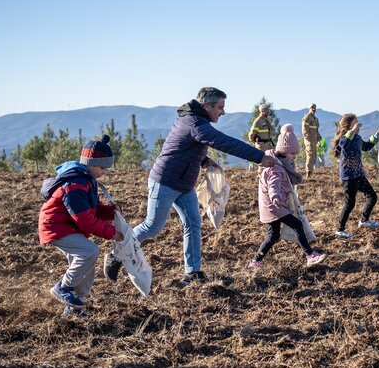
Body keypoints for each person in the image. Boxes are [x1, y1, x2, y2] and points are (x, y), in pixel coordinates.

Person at [106, 88, 276, 287]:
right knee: (152, 226)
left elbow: (183, 145)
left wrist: (203, 159)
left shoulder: (194, 120)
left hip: (185, 184)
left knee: (193, 223)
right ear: (207, 106)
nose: (223, 112)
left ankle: (193, 272)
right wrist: (259, 157)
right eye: (220, 107)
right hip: (165, 181)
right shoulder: (195, 123)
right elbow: (225, 142)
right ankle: (117, 253)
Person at [40, 135, 123, 317]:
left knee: (87, 266)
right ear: (91, 163)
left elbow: (92, 208)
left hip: (70, 227)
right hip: (57, 227)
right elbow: (84, 219)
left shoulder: (87, 180)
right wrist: (111, 232)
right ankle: (63, 287)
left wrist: (110, 212)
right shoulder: (75, 184)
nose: (104, 172)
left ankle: (75, 309)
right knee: (89, 252)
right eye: (102, 168)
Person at [249, 126, 326, 268]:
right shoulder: (276, 168)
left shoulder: (278, 163)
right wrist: (275, 197)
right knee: (297, 225)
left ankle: (256, 261)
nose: (295, 156)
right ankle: (310, 255)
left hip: (272, 206)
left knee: (273, 235)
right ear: (284, 152)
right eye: (292, 153)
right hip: (274, 205)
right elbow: (273, 185)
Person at [333, 113, 379, 238]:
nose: (359, 126)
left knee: (372, 196)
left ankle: (364, 221)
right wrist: (352, 131)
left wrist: (375, 137)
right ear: (349, 126)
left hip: (359, 174)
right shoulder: (345, 139)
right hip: (349, 177)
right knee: (350, 203)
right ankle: (340, 230)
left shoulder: (357, 138)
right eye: (356, 123)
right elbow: (343, 145)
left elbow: (366, 147)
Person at [301, 104, 321, 177]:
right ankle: (308, 172)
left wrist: (318, 140)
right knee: (310, 155)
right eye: (312, 108)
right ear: (309, 108)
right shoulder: (307, 118)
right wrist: (308, 140)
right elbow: (304, 130)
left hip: (314, 141)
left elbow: (317, 130)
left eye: (314, 108)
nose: (313, 109)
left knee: (314, 156)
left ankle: (311, 171)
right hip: (309, 140)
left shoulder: (315, 119)